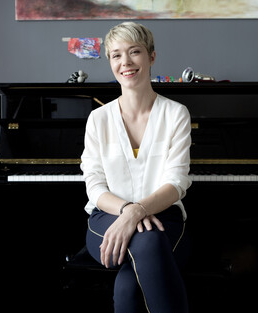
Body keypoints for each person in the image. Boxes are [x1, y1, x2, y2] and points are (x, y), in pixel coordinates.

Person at [80, 21, 192, 313]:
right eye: (116, 55)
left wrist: (138, 211)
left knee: (129, 285)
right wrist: (128, 212)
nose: (126, 62)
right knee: (150, 243)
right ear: (110, 62)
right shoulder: (98, 119)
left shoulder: (176, 114)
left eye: (134, 52)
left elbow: (177, 182)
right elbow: (94, 186)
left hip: (164, 218)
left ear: (151, 57)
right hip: (106, 219)